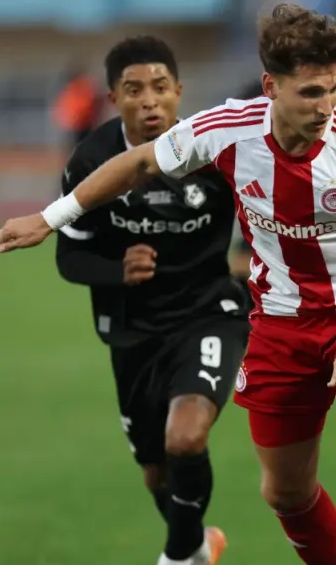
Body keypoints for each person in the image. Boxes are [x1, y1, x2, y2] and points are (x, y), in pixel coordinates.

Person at [0, 5, 336, 565]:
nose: (327, 106)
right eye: (311, 92)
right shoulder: (226, 130)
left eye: (335, 88)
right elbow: (140, 164)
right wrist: (49, 219)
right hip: (281, 322)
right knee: (285, 493)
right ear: (271, 86)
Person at [52, 36, 247, 565]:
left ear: (179, 91)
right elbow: (70, 258)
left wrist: (249, 260)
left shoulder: (211, 152)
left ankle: (177, 557)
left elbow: (266, 211)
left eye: (160, 87)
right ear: (113, 97)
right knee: (156, 472)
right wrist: (117, 270)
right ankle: (198, 545)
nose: (149, 101)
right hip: (132, 330)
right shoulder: (91, 161)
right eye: (134, 89)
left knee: (186, 436)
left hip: (209, 314)